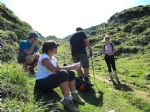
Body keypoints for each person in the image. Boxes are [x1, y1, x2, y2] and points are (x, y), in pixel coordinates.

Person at [35, 40, 85, 112]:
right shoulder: (44, 57)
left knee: (70, 73)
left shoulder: (54, 58)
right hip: (41, 83)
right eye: (55, 47)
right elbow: (54, 69)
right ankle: (67, 99)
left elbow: (58, 69)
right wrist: (72, 66)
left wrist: (71, 68)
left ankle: (74, 95)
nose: (57, 49)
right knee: (63, 73)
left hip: (49, 81)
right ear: (50, 49)